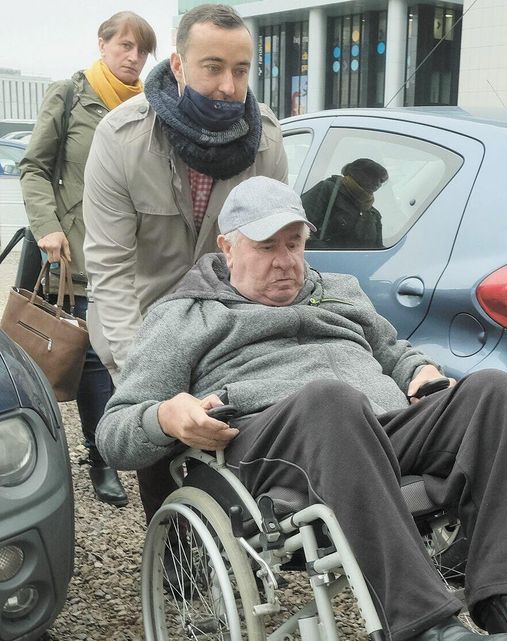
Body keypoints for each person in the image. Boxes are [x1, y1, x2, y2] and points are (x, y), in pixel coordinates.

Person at [96, 176, 507, 641]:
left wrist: (417, 371)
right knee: (331, 398)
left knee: (491, 391)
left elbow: (394, 349)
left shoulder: (338, 290)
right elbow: (115, 432)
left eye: (295, 244)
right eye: (267, 248)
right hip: (270, 453)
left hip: (374, 433)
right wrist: (167, 416)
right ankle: (423, 624)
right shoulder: (186, 316)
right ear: (228, 247)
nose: (287, 263)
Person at [83, 3, 287, 522]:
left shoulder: (266, 139)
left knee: (240, 469)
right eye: (212, 67)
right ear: (178, 66)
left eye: (240, 70)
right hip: (149, 327)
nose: (227, 85)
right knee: (162, 465)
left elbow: (272, 248)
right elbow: (109, 271)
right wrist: (143, 381)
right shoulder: (121, 139)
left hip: (229, 328)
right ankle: (170, 558)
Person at [18, 11, 157, 507]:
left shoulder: (151, 105)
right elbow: (33, 167)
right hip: (77, 256)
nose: (134, 57)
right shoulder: (71, 95)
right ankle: (102, 459)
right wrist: (48, 227)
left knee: (132, 355)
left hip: (136, 255)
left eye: (142, 50)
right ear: (102, 45)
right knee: (92, 357)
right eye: (125, 46)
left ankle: (130, 444)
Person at [301, 157, 387, 248]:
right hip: (322, 259)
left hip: (360, 261)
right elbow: (300, 227)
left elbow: (379, 248)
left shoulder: (373, 214)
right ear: (357, 174)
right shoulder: (328, 190)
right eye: (374, 177)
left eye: (381, 180)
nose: (378, 184)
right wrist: (328, 253)